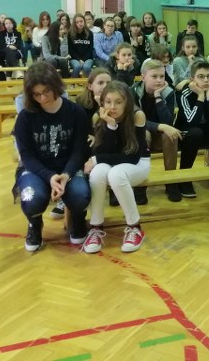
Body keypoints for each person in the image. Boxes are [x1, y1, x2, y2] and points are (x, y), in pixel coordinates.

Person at [13, 62, 91, 252]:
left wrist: (66, 174)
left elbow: (79, 151)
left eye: (47, 91)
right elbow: (26, 156)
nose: (43, 98)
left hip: (68, 168)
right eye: (36, 94)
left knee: (81, 194)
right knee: (31, 198)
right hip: (36, 170)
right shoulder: (25, 117)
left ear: (56, 85)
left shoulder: (76, 112)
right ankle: (34, 223)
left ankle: (78, 219)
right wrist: (49, 176)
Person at [82, 81, 150, 254]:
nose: (112, 107)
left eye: (118, 102)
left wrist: (97, 159)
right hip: (114, 162)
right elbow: (103, 150)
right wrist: (110, 126)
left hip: (138, 163)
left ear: (127, 102)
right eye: (108, 102)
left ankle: (134, 227)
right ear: (102, 102)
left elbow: (132, 157)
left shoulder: (137, 115)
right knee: (98, 173)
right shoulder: (100, 117)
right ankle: (96, 227)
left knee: (115, 174)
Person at [173, 60, 209, 199]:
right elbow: (191, 122)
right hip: (188, 133)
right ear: (192, 79)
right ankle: (185, 178)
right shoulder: (184, 94)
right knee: (195, 133)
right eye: (201, 76)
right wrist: (200, 96)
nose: (206, 80)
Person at [132, 59, 181, 202]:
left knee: (170, 135)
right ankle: (140, 186)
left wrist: (158, 96)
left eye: (162, 76)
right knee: (143, 134)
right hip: (140, 133)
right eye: (154, 76)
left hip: (160, 136)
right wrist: (161, 126)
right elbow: (137, 121)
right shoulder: (132, 92)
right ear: (143, 77)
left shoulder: (169, 92)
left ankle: (171, 183)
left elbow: (168, 122)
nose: (159, 80)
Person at [68, 13, 94, 78]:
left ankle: (88, 83)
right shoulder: (70, 33)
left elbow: (90, 49)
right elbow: (70, 50)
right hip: (74, 58)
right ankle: (73, 83)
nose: (80, 23)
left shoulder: (90, 33)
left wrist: (84, 60)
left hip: (88, 58)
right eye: (77, 22)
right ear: (74, 23)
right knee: (77, 66)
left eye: (81, 21)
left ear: (84, 22)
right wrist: (79, 60)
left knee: (86, 67)